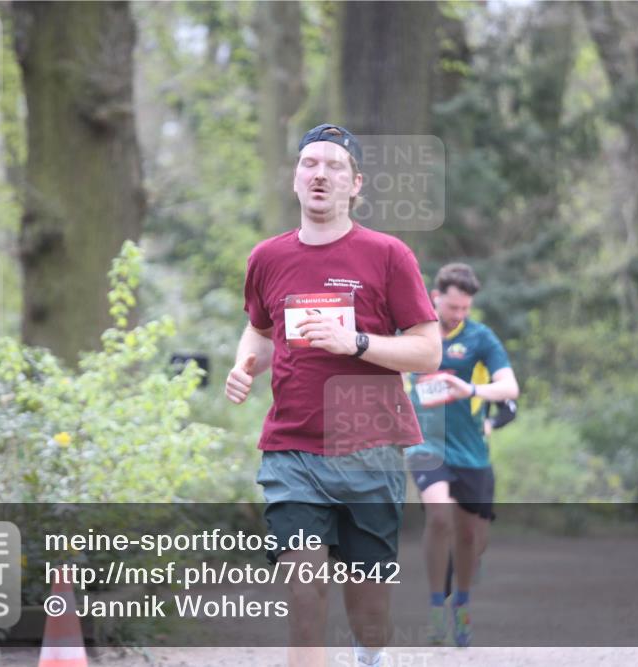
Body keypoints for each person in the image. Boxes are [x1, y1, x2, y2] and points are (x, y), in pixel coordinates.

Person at [225, 123, 441, 667]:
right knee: (303, 593)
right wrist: (243, 365)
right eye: (309, 164)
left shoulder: (388, 255)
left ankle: (370, 656)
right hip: (292, 450)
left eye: (335, 166)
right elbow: (261, 328)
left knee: (369, 614)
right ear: (295, 179)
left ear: (355, 184)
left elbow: (427, 352)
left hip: (371, 450)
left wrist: (358, 342)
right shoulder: (267, 259)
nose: (320, 173)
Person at [404, 263, 519, 647]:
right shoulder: (413, 331)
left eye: (465, 309)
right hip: (426, 446)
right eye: (453, 307)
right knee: (439, 517)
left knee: (471, 536)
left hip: (471, 452)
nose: (459, 315)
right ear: (436, 298)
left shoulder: (480, 338)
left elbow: (509, 388)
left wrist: (467, 389)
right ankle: (437, 605)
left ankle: (462, 602)